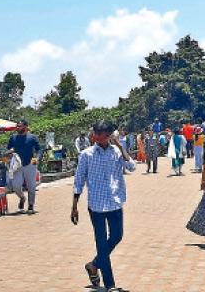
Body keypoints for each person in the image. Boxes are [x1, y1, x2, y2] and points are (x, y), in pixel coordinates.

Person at [71, 121, 136, 291]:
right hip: (97, 205)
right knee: (101, 243)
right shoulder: (86, 154)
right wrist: (74, 206)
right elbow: (79, 180)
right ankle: (110, 285)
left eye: (99, 133)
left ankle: (93, 265)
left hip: (115, 201)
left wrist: (120, 146)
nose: (95, 136)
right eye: (95, 133)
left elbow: (132, 167)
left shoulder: (117, 152)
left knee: (117, 236)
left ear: (108, 135)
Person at [6, 119, 41, 214]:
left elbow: (39, 150)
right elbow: (9, 149)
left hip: (29, 164)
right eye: (17, 126)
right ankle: (22, 198)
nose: (17, 127)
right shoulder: (13, 138)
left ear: (25, 127)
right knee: (16, 186)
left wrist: (37, 158)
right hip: (17, 165)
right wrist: (9, 152)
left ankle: (30, 206)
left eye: (19, 126)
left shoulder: (32, 137)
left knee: (31, 186)